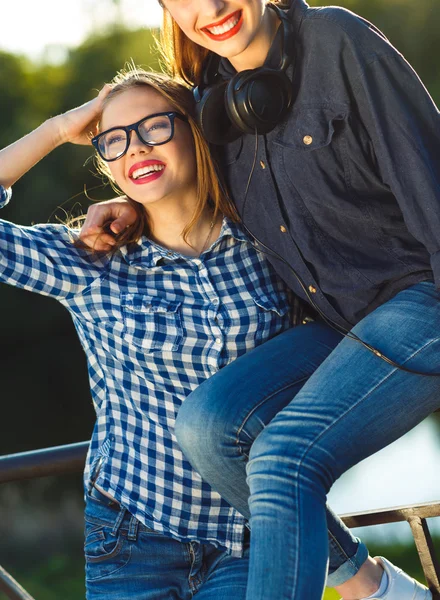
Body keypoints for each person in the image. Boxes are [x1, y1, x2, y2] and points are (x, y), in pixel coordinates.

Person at [77, 1, 440, 599]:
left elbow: (431, 184)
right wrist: (131, 211)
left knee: (283, 458)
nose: (213, 8)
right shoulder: (213, 105)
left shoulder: (338, 40)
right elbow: (172, 179)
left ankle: (366, 590)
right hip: (337, 320)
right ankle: (375, 588)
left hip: (420, 303)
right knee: (207, 425)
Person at [0, 67, 307, 599]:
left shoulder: (269, 240)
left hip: (251, 534)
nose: (135, 148)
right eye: (114, 139)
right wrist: (57, 128)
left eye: (154, 127)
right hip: (133, 537)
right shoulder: (89, 260)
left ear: (194, 128)